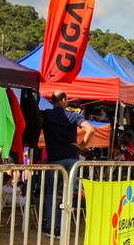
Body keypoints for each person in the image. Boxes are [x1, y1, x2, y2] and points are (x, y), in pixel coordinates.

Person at [41, 91, 96, 235]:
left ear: (53, 101)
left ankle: (52, 227)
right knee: (67, 193)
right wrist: (82, 145)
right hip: (72, 158)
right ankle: (63, 227)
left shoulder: (46, 115)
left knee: (52, 193)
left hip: (55, 159)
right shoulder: (73, 115)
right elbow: (90, 129)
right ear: (64, 99)